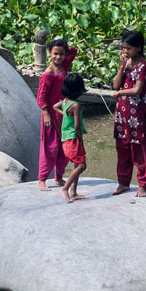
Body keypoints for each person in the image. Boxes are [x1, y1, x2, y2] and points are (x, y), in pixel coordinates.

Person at [110, 29, 146, 197]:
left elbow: (137, 90)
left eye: (128, 48)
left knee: (138, 149)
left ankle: (143, 184)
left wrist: (120, 93)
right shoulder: (127, 63)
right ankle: (123, 182)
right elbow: (115, 85)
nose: (125, 51)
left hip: (136, 114)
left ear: (138, 48)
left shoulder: (143, 66)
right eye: (124, 48)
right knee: (122, 148)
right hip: (122, 114)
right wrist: (121, 67)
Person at [36, 37, 73, 191]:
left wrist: (64, 45)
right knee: (49, 148)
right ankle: (42, 179)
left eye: (61, 54)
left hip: (63, 114)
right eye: (55, 54)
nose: (58, 57)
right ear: (49, 54)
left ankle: (59, 177)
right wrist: (45, 113)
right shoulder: (48, 74)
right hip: (51, 115)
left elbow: (73, 52)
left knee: (64, 148)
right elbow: (41, 97)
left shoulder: (64, 67)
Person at [58, 73, 88, 202]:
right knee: (82, 166)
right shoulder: (76, 105)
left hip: (65, 138)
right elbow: (77, 126)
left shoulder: (65, 102)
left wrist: (65, 116)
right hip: (73, 138)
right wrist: (81, 139)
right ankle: (65, 189)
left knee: (77, 165)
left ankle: (73, 192)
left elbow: (54, 106)